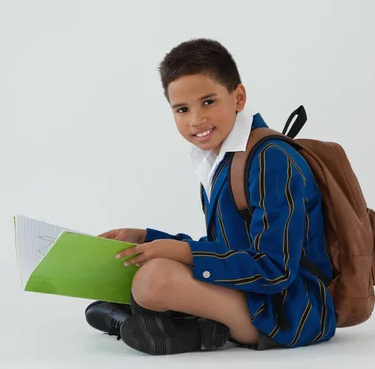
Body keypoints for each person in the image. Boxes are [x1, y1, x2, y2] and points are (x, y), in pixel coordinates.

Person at [85, 38, 336, 355]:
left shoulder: (270, 159)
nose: (196, 120)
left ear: (238, 97)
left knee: (154, 279)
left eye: (208, 102)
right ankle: (191, 325)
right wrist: (146, 237)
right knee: (148, 267)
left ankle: (178, 322)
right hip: (251, 292)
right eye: (182, 109)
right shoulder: (219, 161)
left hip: (290, 308)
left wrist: (182, 254)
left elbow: (276, 269)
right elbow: (228, 251)